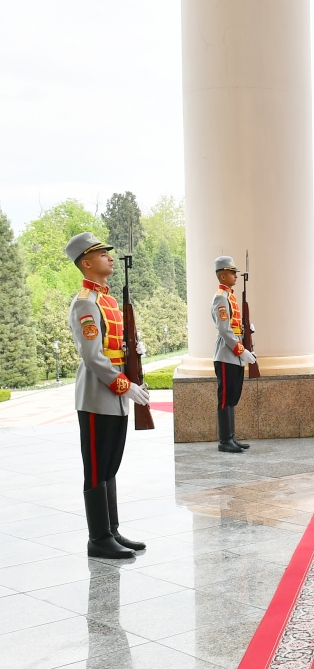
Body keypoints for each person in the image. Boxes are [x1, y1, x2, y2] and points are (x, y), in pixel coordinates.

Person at [64, 232, 151, 559]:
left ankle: (112, 531)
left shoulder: (108, 301)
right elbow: (93, 357)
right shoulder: (86, 303)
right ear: (86, 263)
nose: (109, 258)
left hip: (113, 395)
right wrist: (126, 387)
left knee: (110, 465)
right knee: (98, 467)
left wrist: (135, 350)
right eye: (102, 254)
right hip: (98, 395)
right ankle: (98, 539)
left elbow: (115, 346)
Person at [211, 256, 258, 453]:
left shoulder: (230, 296)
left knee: (232, 396)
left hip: (234, 353)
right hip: (226, 354)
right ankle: (224, 440)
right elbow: (224, 329)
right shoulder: (221, 298)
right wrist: (241, 350)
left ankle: (230, 437)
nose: (235, 275)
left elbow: (234, 326)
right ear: (222, 276)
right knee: (225, 397)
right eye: (232, 272)